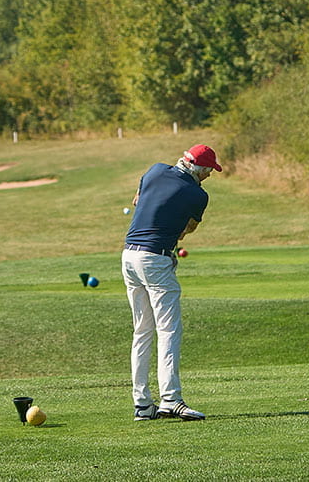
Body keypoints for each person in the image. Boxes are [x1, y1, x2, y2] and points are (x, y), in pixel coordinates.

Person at [122, 144, 222, 421]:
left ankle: (142, 405)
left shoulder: (154, 170)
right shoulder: (197, 194)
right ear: (198, 169)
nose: (209, 176)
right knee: (168, 331)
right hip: (155, 260)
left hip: (129, 256)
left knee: (142, 331)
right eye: (209, 171)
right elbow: (185, 231)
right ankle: (171, 399)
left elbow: (136, 202)